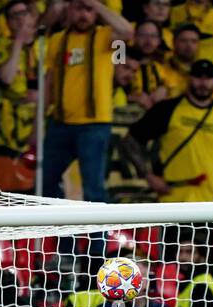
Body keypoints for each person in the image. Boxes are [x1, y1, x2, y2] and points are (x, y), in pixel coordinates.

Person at [122, 58, 213, 203]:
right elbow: (130, 141)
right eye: (198, 77)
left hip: (211, 204)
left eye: (208, 78)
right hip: (173, 203)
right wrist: (149, 177)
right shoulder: (168, 109)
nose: (203, 83)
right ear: (189, 79)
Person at [42, 0, 134, 202]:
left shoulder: (105, 36)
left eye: (89, 10)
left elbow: (127, 31)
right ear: (69, 9)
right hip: (60, 123)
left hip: (94, 124)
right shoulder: (57, 40)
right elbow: (48, 83)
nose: (84, 15)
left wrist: (97, 4)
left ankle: (97, 235)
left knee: (93, 188)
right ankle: (62, 232)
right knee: (45, 183)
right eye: (79, 8)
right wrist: (36, 125)